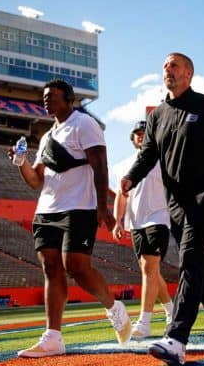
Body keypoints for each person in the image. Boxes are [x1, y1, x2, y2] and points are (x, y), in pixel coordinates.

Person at [121, 53, 204, 365]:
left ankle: (176, 337)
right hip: (175, 203)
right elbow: (147, 155)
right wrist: (131, 177)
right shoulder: (157, 114)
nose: (167, 69)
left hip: (203, 197)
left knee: (189, 259)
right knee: (197, 262)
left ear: (189, 73)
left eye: (174, 65)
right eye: (164, 66)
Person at [9, 78, 130, 358]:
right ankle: (53, 337)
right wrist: (20, 163)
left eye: (51, 95)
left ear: (69, 98)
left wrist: (103, 206)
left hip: (79, 206)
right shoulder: (48, 137)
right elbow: (36, 180)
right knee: (51, 268)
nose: (46, 99)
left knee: (75, 265)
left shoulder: (84, 124)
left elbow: (100, 164)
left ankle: (114, 307)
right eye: (44, 96)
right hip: (47, 208)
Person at [113, 120, 174, 339]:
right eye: (137, 133)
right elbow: (121, 194)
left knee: (149, 267)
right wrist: (118, 221)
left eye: (144, 132)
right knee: (150, 271)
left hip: (158, 218)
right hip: (135, 222)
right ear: (132, 138)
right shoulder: (124, 165)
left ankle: (144, 322)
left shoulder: (162, 158)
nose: (140, 136)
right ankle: (170, 310)